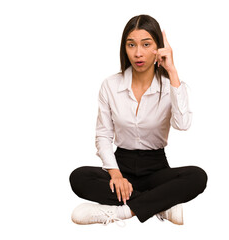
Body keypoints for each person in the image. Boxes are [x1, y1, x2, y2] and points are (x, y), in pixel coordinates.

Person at [69, 14, 207, 226]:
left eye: (146, 44)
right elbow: (103, 135)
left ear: (157, 48)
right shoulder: (110, 85)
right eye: (131, 45)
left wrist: (172, 71)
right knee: (78, 178)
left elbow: (182, 124)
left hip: (156, 168)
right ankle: (160, 205)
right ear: (124, 48)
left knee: (197, 177)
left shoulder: (173, 85)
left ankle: (124, 212)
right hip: (121, 165)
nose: (138, 53)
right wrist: (115, 175)